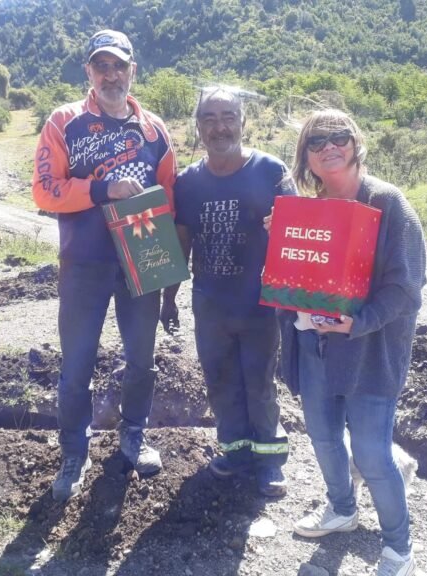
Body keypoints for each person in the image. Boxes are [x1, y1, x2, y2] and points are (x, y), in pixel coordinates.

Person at [275, 109, 426, 576]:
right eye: (316, 143)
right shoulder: (305, 207)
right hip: (314, 346)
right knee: (322, 437)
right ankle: (342, 509)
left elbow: (406, 289)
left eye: (337, 136)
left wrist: (356, 324)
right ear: (307, 158)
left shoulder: (389, 204)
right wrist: (279, 241)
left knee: (372, 452)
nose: (328, 147)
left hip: (368, 353)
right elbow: (294, 276)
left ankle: (398, 547)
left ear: (355, 141)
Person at [32, 29, 177, 502]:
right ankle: (74, 451)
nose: (111, 74)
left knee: (142, 360)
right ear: (88, 72)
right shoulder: (64, 121)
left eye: (119, 65)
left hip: (142, 260)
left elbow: (168, 199)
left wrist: (170, 273)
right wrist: (101, 190)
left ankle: (134, 434)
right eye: (101, 66)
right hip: (84, 266)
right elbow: (43, 191)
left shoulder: (155, 130)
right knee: (76, 365)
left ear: (134, 70)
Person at [161, 87, 294, 497]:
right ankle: (234, 452)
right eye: (209, 118)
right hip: (211, 304)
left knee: (259, 382)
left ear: (242, 121)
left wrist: (298, 302)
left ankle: (269, 460)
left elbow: (299, 237)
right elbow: (180, 242)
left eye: (228, 116)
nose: (220, 126)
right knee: (220, 381)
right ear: (198, 127)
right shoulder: (187, 182)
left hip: (260, 303)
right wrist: (169, 298)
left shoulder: (271, 171)